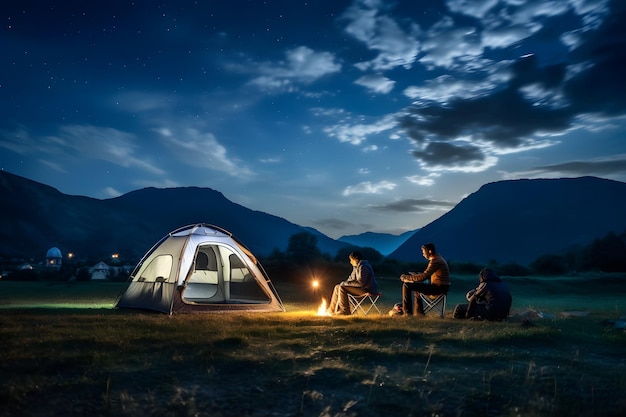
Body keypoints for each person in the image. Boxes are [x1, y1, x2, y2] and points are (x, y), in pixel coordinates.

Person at [400, 243, 450, 316]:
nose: (423, 254)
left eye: (423, 252)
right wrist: (416, 276)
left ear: (429, 251)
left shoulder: (435, 261)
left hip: (438, 288)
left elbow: (425, 276)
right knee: (417, 287)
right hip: (442, 287)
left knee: (406, 285)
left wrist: (407, 278)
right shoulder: (438, 259)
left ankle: (407, 313)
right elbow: (426, 274)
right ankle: (419, 314)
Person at [327, 251, 379, 315]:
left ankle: (345, 311)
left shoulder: (363, 267)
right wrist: (344, 283)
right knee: (337, 287)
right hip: (362, 289)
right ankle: (331, 311)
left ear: (356, 259)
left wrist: (345, 284)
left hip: (368, 290)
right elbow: (351, 278)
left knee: (342, 288)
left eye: (351, 260)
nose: (350, 262)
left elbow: (361, 283)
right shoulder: (356, 267)